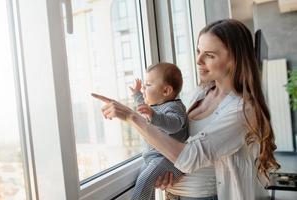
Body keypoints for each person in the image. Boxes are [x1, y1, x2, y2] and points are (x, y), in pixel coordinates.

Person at [92, 19, 280, 200]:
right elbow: (178, 144)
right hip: (176, 195)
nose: (198, 60)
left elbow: (188, 157)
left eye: (209, 55)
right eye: (198, 51)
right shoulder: (201, 92)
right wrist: (168, 170)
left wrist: (132, 117)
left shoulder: (243, 109)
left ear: (235, 60)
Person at [128, 62, 188, 200]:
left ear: (166, 91)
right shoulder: (155, 107)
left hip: (168, 159)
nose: (144, 87)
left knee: (144, 181)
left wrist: (154, 116)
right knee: (143, 180)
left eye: (148, 85)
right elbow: (143, 108)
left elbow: (174, 124)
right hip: (154, 158)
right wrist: (137, 94)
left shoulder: (174, 107)